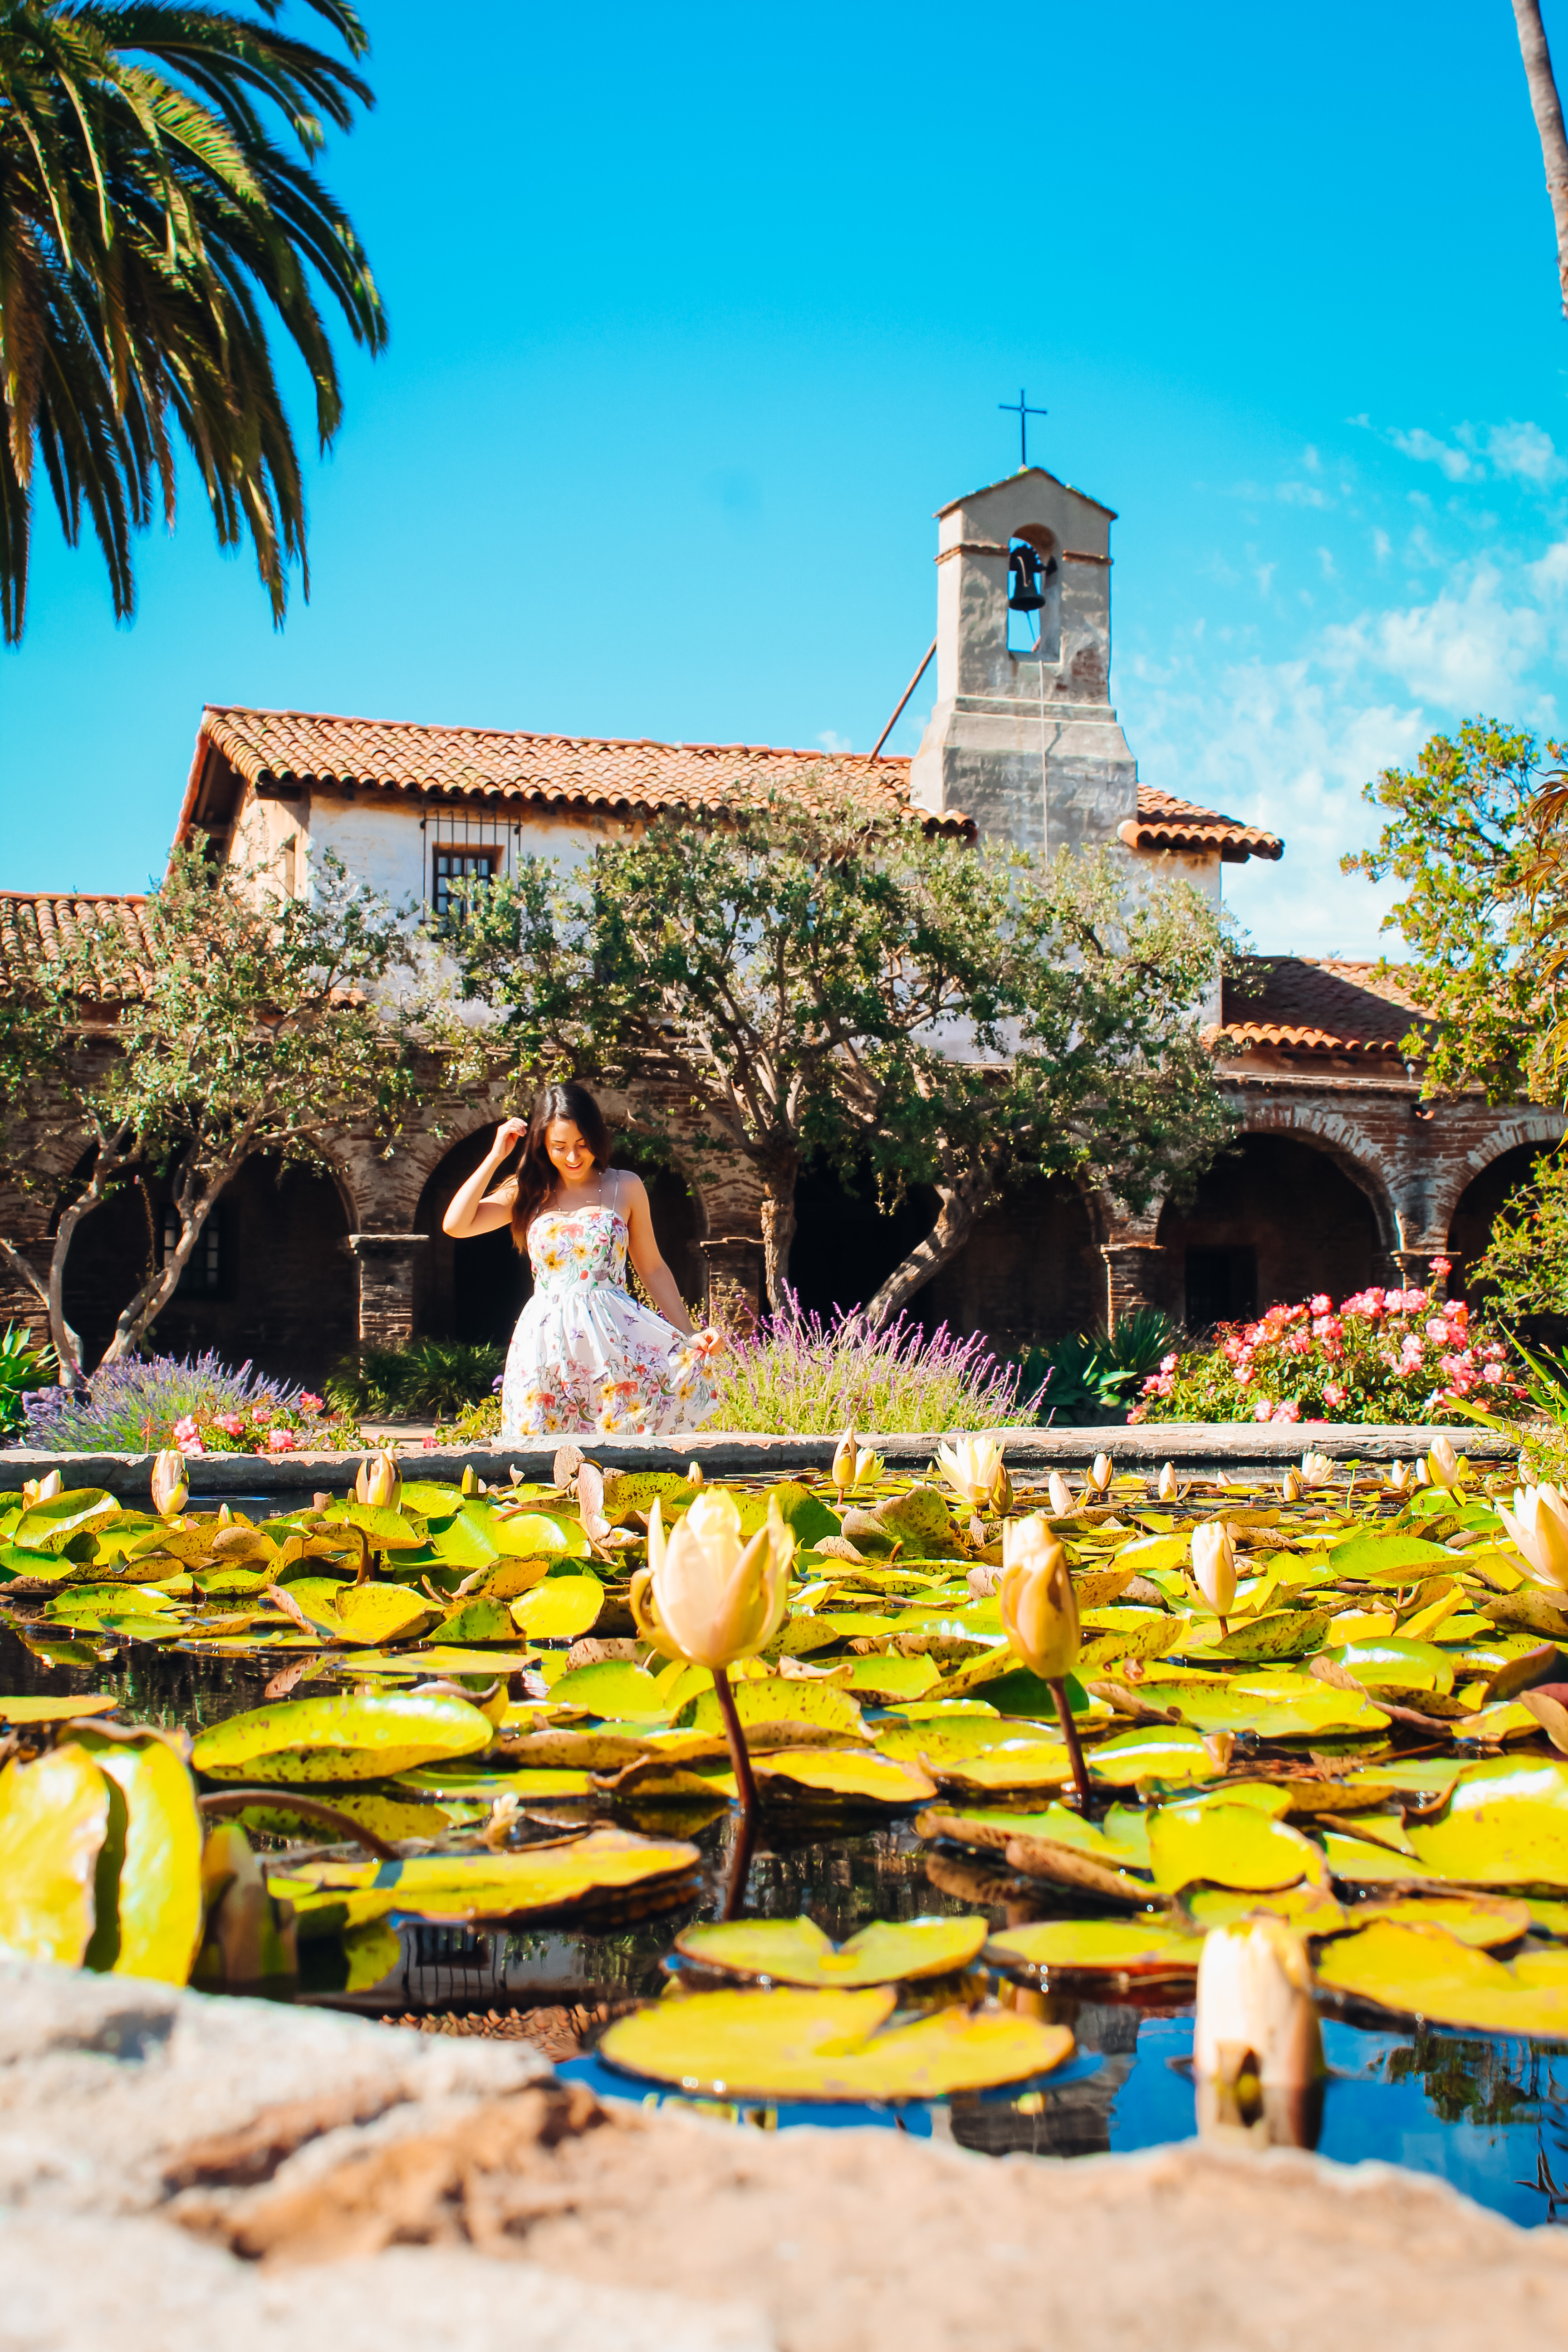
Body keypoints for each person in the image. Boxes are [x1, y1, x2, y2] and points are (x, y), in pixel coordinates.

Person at [442, 1080, 721, 1438]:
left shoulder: (626, 1186)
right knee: (540, 1457)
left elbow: (652, 1267)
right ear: (543, 1144)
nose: (573, 1157)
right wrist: (496, 1155)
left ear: (597, 1139)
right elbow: (456, 1225)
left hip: (614, 1340)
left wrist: (689, 1333)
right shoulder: (528, 1191)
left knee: (619, 1447)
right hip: (545, 1342)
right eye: (559, 1147)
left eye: (583, 1144)